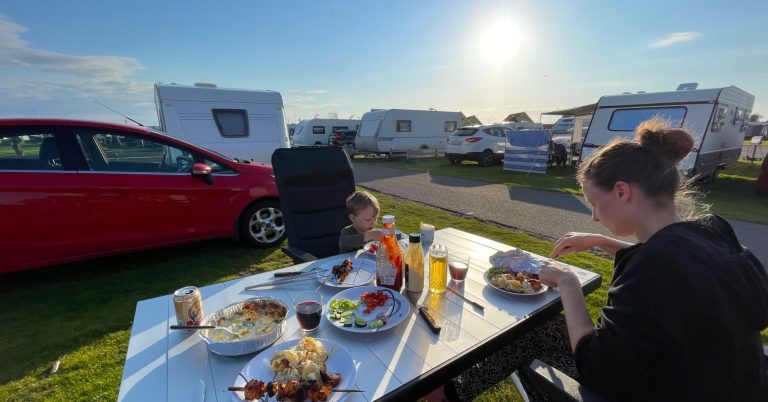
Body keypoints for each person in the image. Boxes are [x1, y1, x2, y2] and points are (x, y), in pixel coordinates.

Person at [443, 118, 768, 402]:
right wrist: (600, 241)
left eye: (595, 204)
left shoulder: (652, 270)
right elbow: (677, 260)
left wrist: (568, 283)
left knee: (530, 336)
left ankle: (451, 392)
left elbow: (594, 367)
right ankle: (453, 390)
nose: (595, 217)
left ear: (622, 192)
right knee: (543, 329)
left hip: (648, 390)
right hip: (729, 385)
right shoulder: (713, 232)